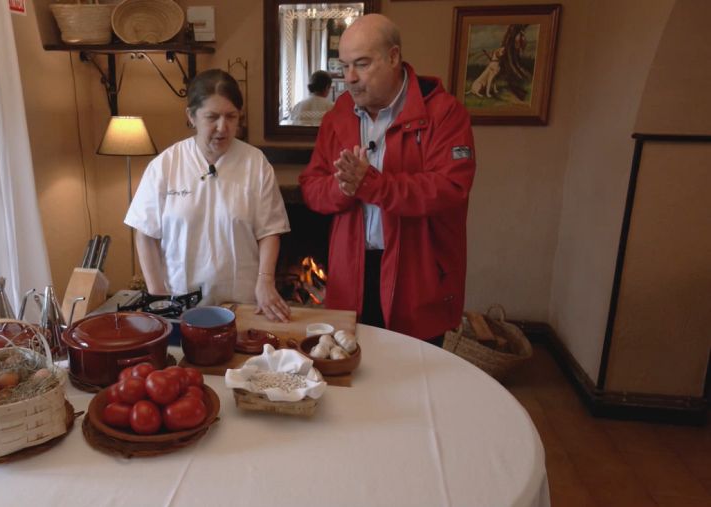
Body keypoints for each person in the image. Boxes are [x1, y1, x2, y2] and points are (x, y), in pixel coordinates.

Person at [298, 14, 476, 343]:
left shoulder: (445, 114)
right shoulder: (337, 116)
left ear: (394, 57)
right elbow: (311, 186)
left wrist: (372, 185)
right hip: (352, 271)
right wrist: (343, 187)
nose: (349, 78)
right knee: (352, 374)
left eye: (362, 65)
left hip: (417, 274)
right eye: (344, 66)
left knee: (413, 380)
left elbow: (450, 188)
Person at [125, 69, 292, 322]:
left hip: (243, 301)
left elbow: (269, 231)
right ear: (191, 116)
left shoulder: (255, 163)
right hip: (179, 303)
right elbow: (146, 234)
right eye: (212, 117)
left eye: (231, 117)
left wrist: (265, 281)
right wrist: (157, 293)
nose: (222, 127)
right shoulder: (166, 165)